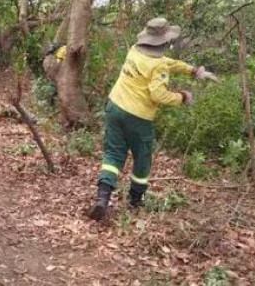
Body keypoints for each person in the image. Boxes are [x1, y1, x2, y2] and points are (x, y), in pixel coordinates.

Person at [89, 18, 217, 221]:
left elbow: (165, 63)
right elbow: (158, 94)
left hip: (114, 107)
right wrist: (182, 97)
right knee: (142, 157)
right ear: (164, 41)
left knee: (113, 154)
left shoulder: (134, 50)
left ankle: (102, 199)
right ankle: (135, 201)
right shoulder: (158, 66)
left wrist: (193, 70)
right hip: (138, 117)